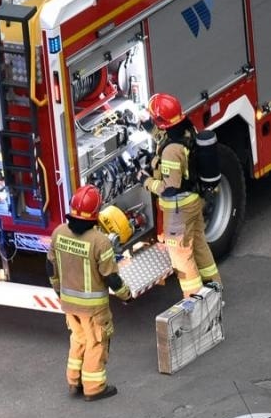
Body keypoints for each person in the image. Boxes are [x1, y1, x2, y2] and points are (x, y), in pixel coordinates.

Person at [47, 184, 131, 401]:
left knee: (78, 339)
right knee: (96, 343)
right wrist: (126, 295)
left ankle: (74, 382)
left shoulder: (58, 233)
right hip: (93, 309)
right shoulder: (99, 241)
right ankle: (94, 388)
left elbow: (51, 268)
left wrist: (59, 291)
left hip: (69, 304)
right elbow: (111, 277)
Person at [143, 93, 221, 299]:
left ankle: (196, 302)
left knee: (181, 257)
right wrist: (149, 129)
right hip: (193, 200)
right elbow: (166, 138)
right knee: (200, 246)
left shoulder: (171, 152)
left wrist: (145, 180)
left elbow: (169, 188)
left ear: (161, 121)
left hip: (179, 209)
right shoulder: (186, 128)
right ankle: (215, 290)